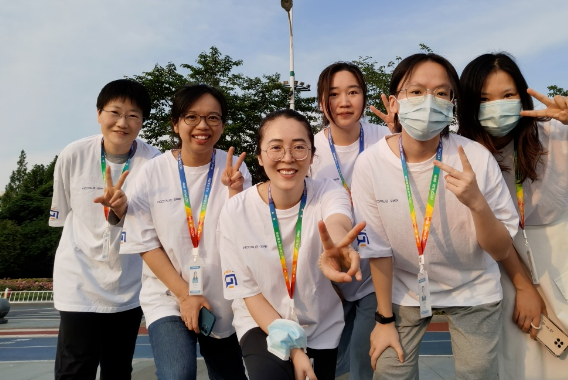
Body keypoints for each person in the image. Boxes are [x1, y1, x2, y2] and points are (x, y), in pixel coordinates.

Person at [458, 52, 568, 380]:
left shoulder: (557, 131)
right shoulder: (464, 152)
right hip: (508, 263)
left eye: (507, 95)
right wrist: (524, 286)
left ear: (522, 96)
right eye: (484, 99)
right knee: (527, 367)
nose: (497, 106)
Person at [353, 53, 520, 380]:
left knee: (477, 372)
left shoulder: (475, 157)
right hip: (405, 287)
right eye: (416, 91)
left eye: (441, 93)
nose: (429, 101)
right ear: (394, 102)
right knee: (389, 371)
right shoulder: (370, 164)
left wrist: (477, 204)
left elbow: (501, 249)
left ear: (452, 104)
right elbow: (378, 248)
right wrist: (384, 320)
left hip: (474, 286)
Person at [219, 109, 365, 380]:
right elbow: (249, 292)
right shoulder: (235, 211)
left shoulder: (328, 191)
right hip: (262, 322)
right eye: (276, 147)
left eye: (299, 147)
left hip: (320, 326)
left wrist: (338, 248)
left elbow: (337, 220)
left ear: (311, 155)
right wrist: (295, 351)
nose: (288, 157)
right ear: (260, 156)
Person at [120, 84, 250, 380]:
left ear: (222, 125)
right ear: (175, 124)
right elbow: (145, 243)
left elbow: (244, 239)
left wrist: (235, 193)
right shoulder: (153, 172)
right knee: (177, 373)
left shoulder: (235, 171)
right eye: (192, 117)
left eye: (213, 118)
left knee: (229, 375)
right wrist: (185, 295)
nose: (203, 126)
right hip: (168, 292)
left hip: (222, 296)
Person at [49, 79, 161, 380]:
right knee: (75, 367)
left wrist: (124, 212)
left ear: (142, 121)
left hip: (128, 282)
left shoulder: (154, 162)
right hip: (79, 277)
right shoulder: (73, 154)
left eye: (133, 115)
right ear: (99, 113)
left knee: (118, 369)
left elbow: (156, 225)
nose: (122, 122)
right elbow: (64, 214)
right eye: (115, 112)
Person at [310, 61, 391, 379]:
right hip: (332, 276)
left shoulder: (386, 138)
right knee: (329, 364)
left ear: (364, 97)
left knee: (362, 362)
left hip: (377, 271)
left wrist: (406, 136)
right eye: (334, 94)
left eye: (353, 92)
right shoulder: (311, 149)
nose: (344, 102)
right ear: (321, 101)